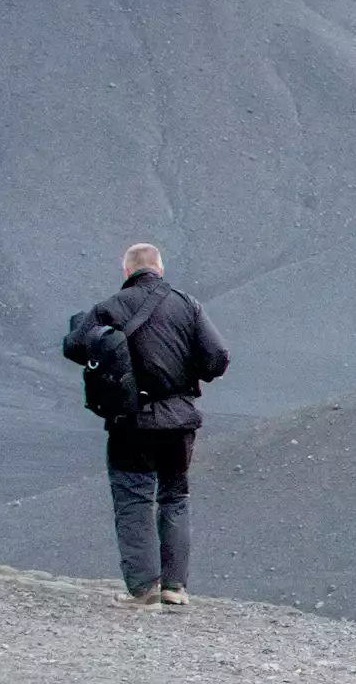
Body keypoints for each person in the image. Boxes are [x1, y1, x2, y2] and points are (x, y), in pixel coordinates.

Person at [62, 242, 231, 607]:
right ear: (160, 268)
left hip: (130, 423)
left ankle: (143, 589)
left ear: (127, 272)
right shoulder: (187, 305)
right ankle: (175, 588)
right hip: (179, 421)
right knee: (175, 497)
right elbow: (217, 357)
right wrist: (188, 370)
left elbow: (73, 347)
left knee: (133, 499)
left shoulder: (109, 307)